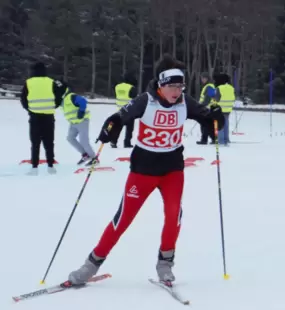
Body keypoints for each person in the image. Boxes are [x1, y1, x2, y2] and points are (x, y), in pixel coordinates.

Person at [67, 54, 225, 285]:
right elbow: (120, 117)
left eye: (180, 86)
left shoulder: (185, 102)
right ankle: (90, 265)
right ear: (161, 85)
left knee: (174, 215)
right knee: (123, 220)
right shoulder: (145, 100)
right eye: (172, 86)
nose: (177, 91)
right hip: (142, 170)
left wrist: (215, 120)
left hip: (172, 169)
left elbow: (209, 123)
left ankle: (165, 264)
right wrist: (111, 127)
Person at [20, 62, 67, 175]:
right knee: (49, 142)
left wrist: (30, 109)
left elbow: (23, 99)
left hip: (34, 116)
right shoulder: (51, 81)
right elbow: (61, 92)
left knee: (35, 142)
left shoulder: (29, 82)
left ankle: (34, 168)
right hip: (48, 116)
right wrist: (54, 105)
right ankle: (51, 166)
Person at [61, 85, 98, 166]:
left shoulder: (71, 96)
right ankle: (85, 155)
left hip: (82, 121)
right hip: (73, 123)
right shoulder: (62, 100)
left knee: (84, 141)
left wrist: (81, 111)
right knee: (70, 138)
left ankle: (94, 158)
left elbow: (83, 101)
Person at [111, 73, 138, 148]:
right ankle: (127, 143)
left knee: (118, 127)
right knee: (129, 129)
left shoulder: (117, 86)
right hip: (129, 111)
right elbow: (134, 97)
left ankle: (113, 141)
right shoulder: (131, 87)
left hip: (120, 110)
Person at [213, 73, 235, 145]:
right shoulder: (231, 88)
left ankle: (221, 141)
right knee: (226, 124)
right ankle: (226, 139)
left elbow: (217, 98)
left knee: (220, 125)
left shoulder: (219, 88)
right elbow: (233, 97)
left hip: (221, 108)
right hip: (228, 108)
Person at [196, 72, 216, 145]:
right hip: (206, 108)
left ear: (207, 79)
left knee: (205, 125)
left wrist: (202, 105)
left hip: (207, 108)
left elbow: (208, 98)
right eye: (202, 78)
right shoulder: (207, 86)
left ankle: (205, 140)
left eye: (203, 78)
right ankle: (211, 139)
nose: (202, 80)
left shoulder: (209, 86)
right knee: (206, 124)